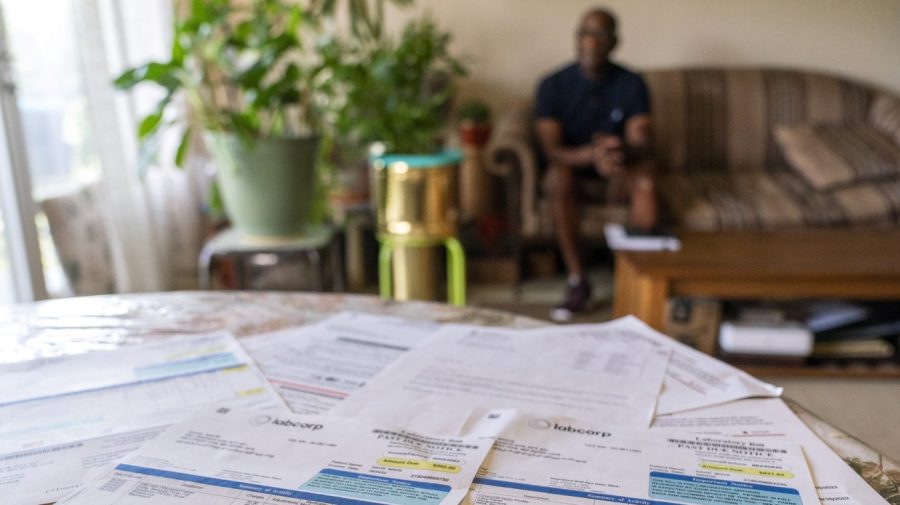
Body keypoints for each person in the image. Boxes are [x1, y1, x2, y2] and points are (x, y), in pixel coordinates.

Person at [534, 7, 658, 322]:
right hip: (575, 170)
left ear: (614, 41)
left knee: (646, 181)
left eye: (599, 34)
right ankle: (578, 280)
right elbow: (551, 149)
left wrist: (618, 150)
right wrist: (590, 155)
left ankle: (640, 283)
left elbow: (640, 138)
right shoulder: (553, 85)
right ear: (577, 39)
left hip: (620, 169)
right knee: (556, 177)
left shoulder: (631, 83)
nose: (590, 41)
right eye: (585, 33)